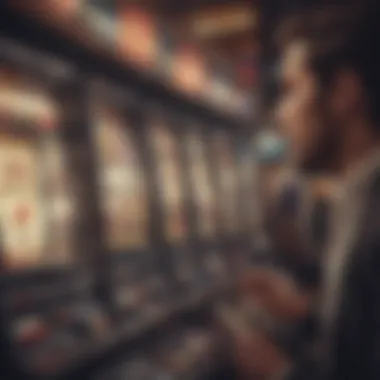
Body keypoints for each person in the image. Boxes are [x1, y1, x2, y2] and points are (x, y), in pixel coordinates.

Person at [233, 4, 380, 380]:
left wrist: (281, 372)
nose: (282, 114)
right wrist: (305, 308)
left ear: (344, 93)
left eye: (292, 91)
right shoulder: (360, 194)